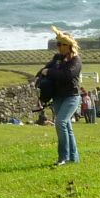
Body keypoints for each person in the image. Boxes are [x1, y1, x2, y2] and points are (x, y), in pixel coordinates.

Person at [35, 26, 82, 166]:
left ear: (69, 45)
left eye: (62, 44)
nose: (59, 47)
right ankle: (74, 158)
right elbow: (43, 70)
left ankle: (63, 157)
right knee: (67, 126)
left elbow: (67, 75)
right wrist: (39, 78)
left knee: (60, 122)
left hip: (71, 97)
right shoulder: (57, 58)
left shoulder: (76, 61)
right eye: (58, 44)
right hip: (58, 96)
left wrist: (48, 72)